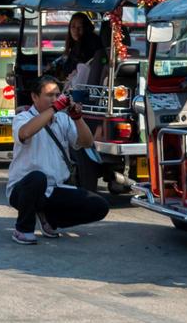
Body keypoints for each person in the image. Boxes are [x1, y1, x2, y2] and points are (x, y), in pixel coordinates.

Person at [7, 75, 110, 245]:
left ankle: (50, 219)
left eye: (57, 95)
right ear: (34, 97)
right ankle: (22, 230)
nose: (55, 99)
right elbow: (25, 133)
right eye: (49, 95)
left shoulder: (63, 119)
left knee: (99, 206)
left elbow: (86, 142)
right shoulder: (23, 118)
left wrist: (77, 118)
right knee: (37, 178)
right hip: (23, 190)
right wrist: (54, 109)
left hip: (53, 189)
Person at [49, 13, 103, 98]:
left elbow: (71, 69)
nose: (75, 30)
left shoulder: (87, 45)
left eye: (79, 27)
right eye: (73, 27)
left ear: (86, 28)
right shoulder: (75, 46)